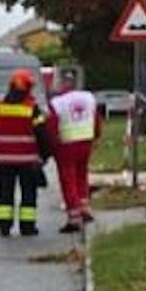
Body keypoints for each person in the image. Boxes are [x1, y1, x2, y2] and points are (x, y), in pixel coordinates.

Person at [0, 68, 53, 237]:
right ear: (28, 88)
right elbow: (43, 135)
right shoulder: (32, 110)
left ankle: (4, 226)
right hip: (27, 160)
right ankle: (27, 227)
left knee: (5, 193)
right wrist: (45, 156)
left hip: (4, 160)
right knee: (28, 194)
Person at [47, 71, 102, 233]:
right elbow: (96, 118)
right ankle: (85, 209)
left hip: (66, 144)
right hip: (86, 141)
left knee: (68, 180)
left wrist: (51, 146)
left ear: (61, 84)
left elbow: (51, 125)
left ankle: (74, 217)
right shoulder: (88, 98)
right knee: (81, 175)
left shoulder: (57, 102)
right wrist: (96, 136)